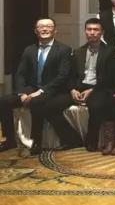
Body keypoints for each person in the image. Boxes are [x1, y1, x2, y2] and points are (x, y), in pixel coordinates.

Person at [0, 18, 72, 154]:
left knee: (36, 102)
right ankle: (9, 140)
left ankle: (36, 142)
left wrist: (41, 91)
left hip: (53, 90)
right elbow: (20, 74)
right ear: (35, 31)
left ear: (55, 30)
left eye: (48, 26)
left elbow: (62, 76)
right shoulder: (29, 50)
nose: (44, 29)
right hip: (31, 88)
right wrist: (22, 93)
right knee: (3, 101)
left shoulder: (64, 50)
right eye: (41, 27)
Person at [44, 18, 115, 152]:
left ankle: (91, 141)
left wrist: (92, 90)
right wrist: (72, 89)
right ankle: (72, 140)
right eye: (89, 29)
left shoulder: (110, 51)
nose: (92, 32)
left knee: (96, 106)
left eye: (96, 30)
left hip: (99, 88)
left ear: (102, 32)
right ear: (85, 31)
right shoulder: (78, 51)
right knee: (50, 107)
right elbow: (71, 75)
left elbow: (109, 77)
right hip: (79, 87)